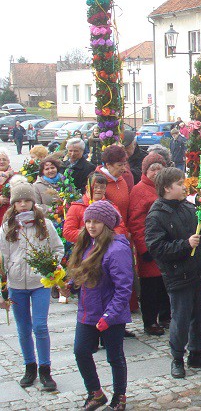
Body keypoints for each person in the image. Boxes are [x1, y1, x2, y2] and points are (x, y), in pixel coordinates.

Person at [146, 167, 201, 379]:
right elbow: (157, 248)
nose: (184, 186)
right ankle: (177, 356)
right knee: (181, 318)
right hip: (180, 277)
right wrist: (185, 245)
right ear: (167, 188)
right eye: (180, 184)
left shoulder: (188, 206)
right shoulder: (157, 215)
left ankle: (196, 352)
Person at [68, 200, 132, 411]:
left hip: (109, 313)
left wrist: (110, 316)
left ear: (106, 224)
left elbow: (123, 288)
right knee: (80, 351)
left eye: (96, 222)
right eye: (88, 221)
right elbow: (84, 274)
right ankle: (95, 392)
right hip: (88, 311)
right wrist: (70, 285)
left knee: (115, 356)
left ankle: (119, 397)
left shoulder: (116, 248)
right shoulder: (87, 244)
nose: (91, 226)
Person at [0, 182, 63, 391]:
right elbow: (2, 256)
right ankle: (30, 366)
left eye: (27, 200)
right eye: (19, 201)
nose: (23, 204)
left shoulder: (44, 224)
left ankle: (46, 369)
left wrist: (51, 266)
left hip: (39, 283)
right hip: (17, 284)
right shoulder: (7, 226)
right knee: (23, 328)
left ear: (33, 202)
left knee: (40, 326)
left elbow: (57, 248)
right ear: (13, 204)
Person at [128, 152, 170, 336]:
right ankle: (150, 321)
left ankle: (166, 316)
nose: (156, 172)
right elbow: (136, 222)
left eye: (159, 169)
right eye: (153, 169)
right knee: (151, 287)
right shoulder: (139, 190)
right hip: (151, 247)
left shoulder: (166, 187)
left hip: (167, 244)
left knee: (165, 283)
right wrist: (144, 247)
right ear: (146, 171)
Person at [63, 173, 129, 244]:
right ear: (87, 188)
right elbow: (68, 232)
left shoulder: (111, 207)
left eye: (102, 187)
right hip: (85, 248)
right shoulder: (76, 207)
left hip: (107, 246)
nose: (99, 190)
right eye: (95, 187)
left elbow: (121, 228)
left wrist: (106, 237)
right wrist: (92, 236)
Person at [96, 145, 131, 224]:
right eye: (119, 165)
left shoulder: (121, 180)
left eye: (124, 164)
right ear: (108, 165)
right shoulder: (98, 183)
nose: (124, 168)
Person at [0, 151, 14, 226]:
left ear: (8, 162)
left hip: (11, 214)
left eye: (4, 159)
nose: (1, 162)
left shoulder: (15, 176)